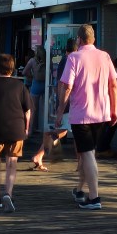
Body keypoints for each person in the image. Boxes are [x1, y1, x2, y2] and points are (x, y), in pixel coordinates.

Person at [55, 25, 117, 210]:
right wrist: (114, 110)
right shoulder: (105, 56)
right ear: (93, 39)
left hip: (81, 114)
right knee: (86, 152)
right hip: (101, 113)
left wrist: (60, 111)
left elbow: (67, 86)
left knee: (88, 154)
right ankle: (80, 189)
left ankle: (94, 197)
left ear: (79, 39)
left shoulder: (74, 58)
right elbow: (113, 85)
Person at [0, 53, 33, 212]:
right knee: (11, 163)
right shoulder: (20, 86)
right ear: (12, 68)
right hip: (16, 129)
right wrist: (26, 128)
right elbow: (27, 112)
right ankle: (8, 193)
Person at [30, 38, 75, 171]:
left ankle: (40, 153)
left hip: (64, 103)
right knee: (63, 131)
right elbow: (63, 85)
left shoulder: (64, 61)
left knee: (63, 130)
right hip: (67, 103)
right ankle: (41, 152)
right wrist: (62, 105)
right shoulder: (68, 61)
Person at [22, 47, 45, 136]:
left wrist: (32, 76)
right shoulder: (47, 60)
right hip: (46, 85)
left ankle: (31, 129)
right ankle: (44, 129)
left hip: (36, 85)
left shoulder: (32, 61)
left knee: (33, 109)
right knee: (45, 109)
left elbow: (24, 72)